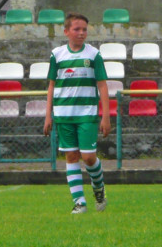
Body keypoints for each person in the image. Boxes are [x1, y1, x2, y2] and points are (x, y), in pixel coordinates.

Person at [43, 13, 111, 214]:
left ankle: (98, 189)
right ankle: (79, 202)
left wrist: (105, 116)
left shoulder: (93, 55)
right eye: (76, 29)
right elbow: (51, 86)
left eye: (84, 29)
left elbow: (103, 86)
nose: (81, 33)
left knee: (89, 157)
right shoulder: (57, 55)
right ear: (66, 32)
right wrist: (48, 115)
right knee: (71, 156)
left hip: (87, 113)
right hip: (63, 114)